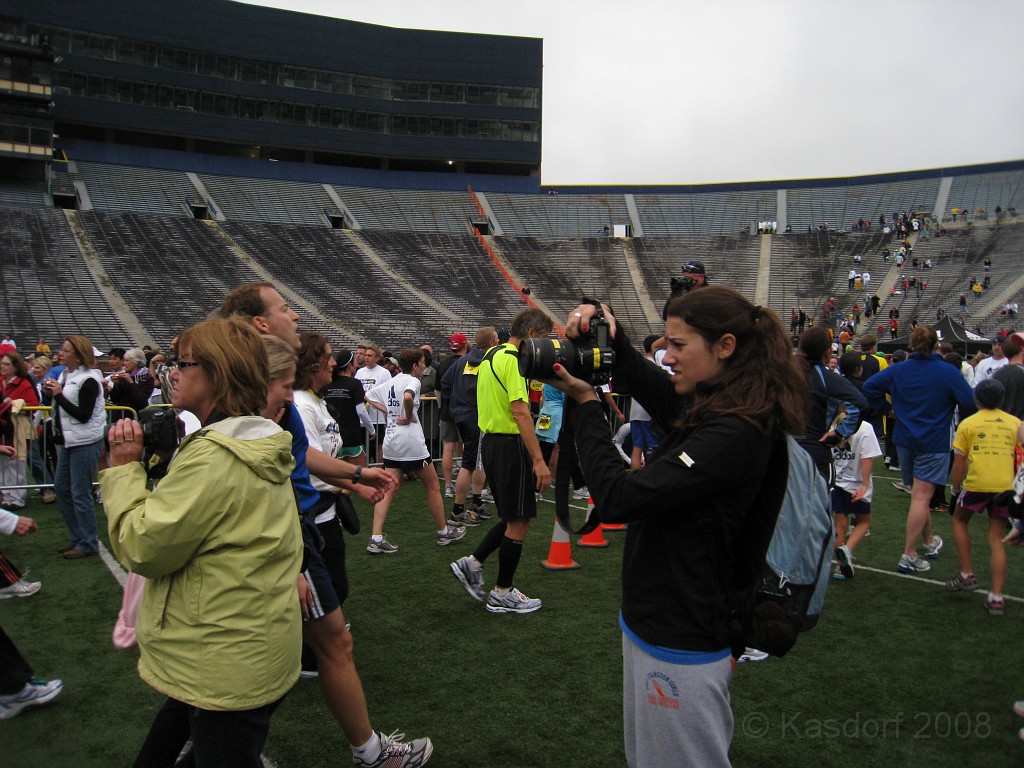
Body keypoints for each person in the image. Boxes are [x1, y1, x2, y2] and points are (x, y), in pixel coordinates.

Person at [546, 287, 807, 768]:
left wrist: (585, 404)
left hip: (684, 636)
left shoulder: (736, 430)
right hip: (658, 622)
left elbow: (620, 499)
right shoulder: (721, 403)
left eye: (678, 345)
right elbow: (658, 392)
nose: (666, 356)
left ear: (725, 346)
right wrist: (612, 337)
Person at [217, 283, 432, 767]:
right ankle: (370, 753)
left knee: (319, 644)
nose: (295, 314)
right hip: (286, 530)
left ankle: (367, 749)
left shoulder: (280, 395)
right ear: (260, 324)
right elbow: (258, 474)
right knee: (295, 654)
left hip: (295, 527)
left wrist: (357, 475)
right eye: (283, 307)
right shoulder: (254, 396)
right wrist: (287, 556)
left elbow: (298, 456)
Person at [100, 317, 303, 767]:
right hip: (245, 643)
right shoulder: (258, 436)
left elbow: (143, 547)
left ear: (216, 372)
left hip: (225, 656)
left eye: (184, 363)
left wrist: (123, 469)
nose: (173, 372)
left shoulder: (214, 456)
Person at [450, 307, 554, 614]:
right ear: (531, 334)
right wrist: (539, 460)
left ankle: (473, 563)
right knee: (519, 520)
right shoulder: (511, 360)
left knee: (513, 517)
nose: (545, 344)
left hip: (492, 442)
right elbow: (520, 411)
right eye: (543, 338)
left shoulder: (492, 354)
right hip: (509, 444)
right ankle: (502, 593)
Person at [863, 326, 976, 574]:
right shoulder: (947, 371)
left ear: (911, 345)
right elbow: (969, 403)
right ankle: (909, 554)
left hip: (905, 440)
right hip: (933, 441)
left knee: (919, 494)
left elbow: (869, 387)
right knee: (921, 497)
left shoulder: (899, 369)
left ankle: (928, 541)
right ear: (936, 345)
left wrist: (888, 409)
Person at [364, 348, 466, 551]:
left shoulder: (392, 380)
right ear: (414, 365)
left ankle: (376, 537)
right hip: (411, 442)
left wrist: (390, 412)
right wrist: (409, 415)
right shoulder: (413, 381)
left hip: (392, 442)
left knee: (388, 489)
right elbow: (408, 397)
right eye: (421, 363)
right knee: (433, 486)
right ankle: (443, 532)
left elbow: (368, 396)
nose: (424, 366)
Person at [946, 379, 1022, 616]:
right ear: (1002, 399)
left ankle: (966, 572)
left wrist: (955, 490)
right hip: (1006, 486)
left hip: (977, 484)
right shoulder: (1015, 423)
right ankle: (996, 596)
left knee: (959, 520)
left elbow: (959, 463)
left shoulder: (968, 423)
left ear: (976, 400)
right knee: (996, 538)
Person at [46, 337, 106, 559]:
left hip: (85, 441)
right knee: (62, 488)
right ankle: (78, 537)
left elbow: (83, 415)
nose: (61, 353)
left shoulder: (89, 380)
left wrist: (58, 395)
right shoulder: (66, 375)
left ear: (79, 356)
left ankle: (88, 542)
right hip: (71, 441)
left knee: (80, 493)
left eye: (66, 350)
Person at [830, 358, 882, 581]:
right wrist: (865, 484)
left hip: (838, 481)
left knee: (840, 523)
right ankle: (848, 550)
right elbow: (867, 459)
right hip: (856, 483)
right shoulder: (865, 428)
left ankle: (837, 566)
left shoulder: (834, 425)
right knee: (863, 522)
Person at [1, 351, 39, 510]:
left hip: (17, 428)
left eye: (7, 364)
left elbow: (34, 405)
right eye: (2, 363)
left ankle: (17, 498)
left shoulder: (23, 384)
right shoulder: (1, 382)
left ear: (15, 367)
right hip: (3, 427)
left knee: (17, 462)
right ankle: (6, 496)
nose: (2, 366)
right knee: (3, 464)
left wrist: (15, 404)